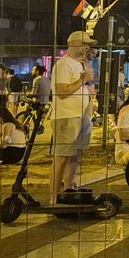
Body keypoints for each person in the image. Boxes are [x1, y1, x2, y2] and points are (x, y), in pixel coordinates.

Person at [50, 31, 97, 203]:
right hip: (66, 117)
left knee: (74, 156)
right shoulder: (64, 64)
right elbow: (62, 91)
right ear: (75, 44)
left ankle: (68, 191)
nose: (88, 49)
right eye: (85, 45)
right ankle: (53, 198)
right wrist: (83, 79)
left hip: (81, 117)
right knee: (61, 157)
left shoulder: (80, 64)